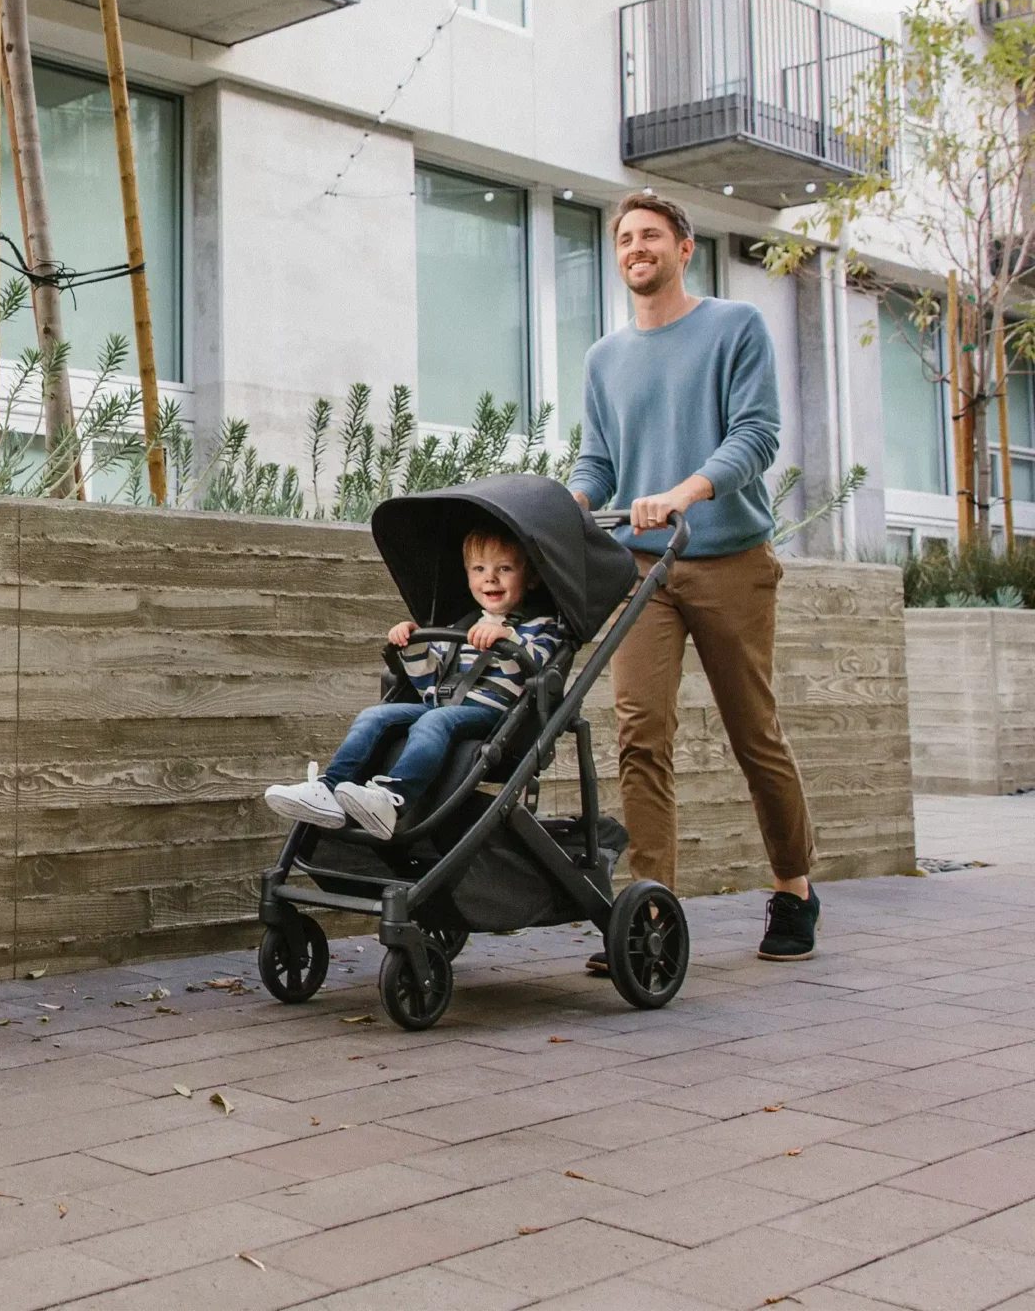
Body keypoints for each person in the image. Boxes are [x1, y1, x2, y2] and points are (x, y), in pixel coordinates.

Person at [569, 191, 819, 964]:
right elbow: (600, 463)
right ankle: (650, 916)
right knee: (642, 735)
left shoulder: (733, 327)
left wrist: (688, 489)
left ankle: (795, 889)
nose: (634, 248)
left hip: (730, 560)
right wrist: (569, 504)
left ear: (684, 246)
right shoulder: (603, 359)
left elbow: (757, 433)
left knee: (754, 734)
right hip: (647, 571)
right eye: (622, 239)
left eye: (649, 235)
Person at [265, 521, 562, 840]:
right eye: (479, 568)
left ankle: (393, 800)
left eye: (504, 568)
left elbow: (535, 665)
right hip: (443, 707)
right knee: (375, 715)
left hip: (494, 716)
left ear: (530, 578)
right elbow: (430, 688)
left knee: (435, 720)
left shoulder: (543, 626)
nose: (490, 577)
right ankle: (327, 789)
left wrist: (509, 638)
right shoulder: (460, 626)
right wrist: (413, 645)